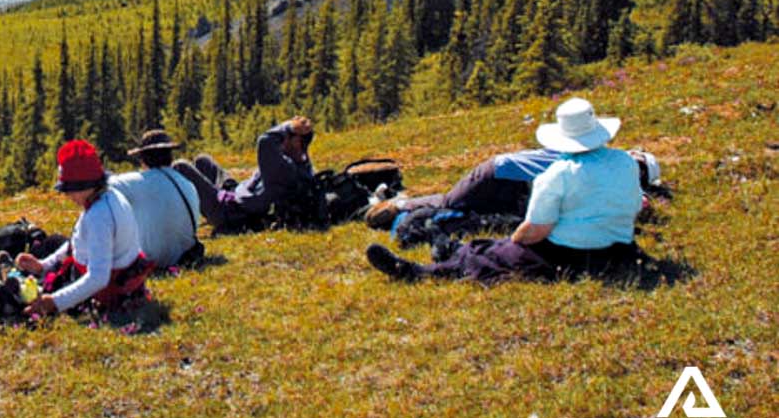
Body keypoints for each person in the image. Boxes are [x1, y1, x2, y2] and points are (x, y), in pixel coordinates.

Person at [366, 98, 644, 284]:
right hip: (618, 249)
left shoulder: (558, 174)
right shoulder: (625, 162)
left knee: (488, 257)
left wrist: (514, 240)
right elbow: (633, 208)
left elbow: (536, 230)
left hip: (571, 253)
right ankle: (447, 248)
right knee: (489, 246)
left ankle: (420, 272)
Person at [14, 139, 152, 318]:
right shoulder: (110, 196)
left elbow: (98, 278)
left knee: (47, 246)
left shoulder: (98, 217)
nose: (67, 195)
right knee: (53, 242)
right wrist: (44, 265)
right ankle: (35, 274)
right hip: (124, 276)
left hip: (105, 290)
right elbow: (77, 240)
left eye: (69, 189)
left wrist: (55, 302)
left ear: (84, 186)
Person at [364, 146, 662, 229]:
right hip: (501, 176)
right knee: (452, 205)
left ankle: (397, 204)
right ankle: (395, 207)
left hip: (512, 185)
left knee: (462, 209)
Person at [173, 117, 315, 232]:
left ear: (296, 142)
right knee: (202, 160)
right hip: (237, 194)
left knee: (180, 167)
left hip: (229, 213)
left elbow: (265, 141)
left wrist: (287, 126)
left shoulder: (284, 168)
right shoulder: (303, 165)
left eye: (286, 137)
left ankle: (174, 222)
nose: (282, 142)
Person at [109, 130, 202, 269]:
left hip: (151, 260)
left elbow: (103, 185)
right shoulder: (186, 183)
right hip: (184, 256)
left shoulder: (137, 182)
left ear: (143, 158)